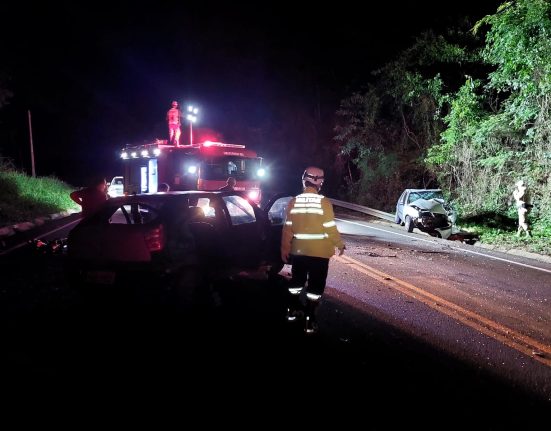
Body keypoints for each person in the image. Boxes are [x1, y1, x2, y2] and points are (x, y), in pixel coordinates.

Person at [280, 166, 346, 334]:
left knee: (297, 282)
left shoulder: (293, 201)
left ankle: (291, 311)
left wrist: (285, 248)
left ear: (304, 180)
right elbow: (330, 227)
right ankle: (310, 319)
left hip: (299, 252)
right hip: (320, 254)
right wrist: (339, 244)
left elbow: (287, 228)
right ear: (320, 182)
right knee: (316, 286)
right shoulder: (324, 202)